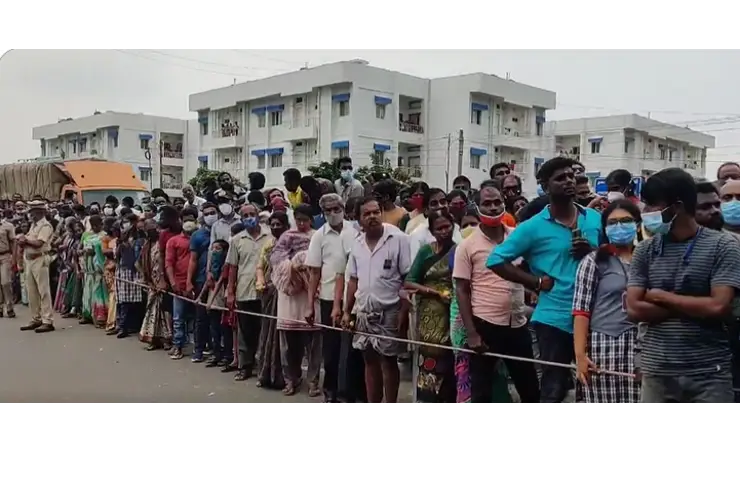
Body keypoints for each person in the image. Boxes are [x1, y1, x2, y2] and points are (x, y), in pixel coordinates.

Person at [487, 156, 601, 407]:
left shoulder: (593, 218)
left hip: (595, 315)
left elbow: (613, 254)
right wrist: (535, 281)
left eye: (572, 176)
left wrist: (592, 250)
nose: (569, 181)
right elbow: (496, 260)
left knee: (594, 384)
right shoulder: (532, 227)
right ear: (545, 186)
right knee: (553, 388)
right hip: (554, 319)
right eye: (561, 178)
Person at [626, 168, 740, 408]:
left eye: (651, 205)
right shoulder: (645, 251)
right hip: (657, 372)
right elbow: (634, 310)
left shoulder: (723, 246)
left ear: (676, 207)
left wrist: (660, 296)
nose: (645, 213)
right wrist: (697, 303)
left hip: (709, 373)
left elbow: (719, 306)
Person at [454, 185, 540, 408]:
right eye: (487, 203)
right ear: (477, 206)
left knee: (530, 391)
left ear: (504, 203)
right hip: (486, 325)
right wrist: (471, 333)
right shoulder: (467, 245)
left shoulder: (518, 237)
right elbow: (462, 289)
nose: (493, 208)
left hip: (517, 323)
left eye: (497, 202)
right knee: (482, 395)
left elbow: (532, 271)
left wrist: (533, 290)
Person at [572, 200, 642, 404]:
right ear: (605, 228)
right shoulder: (594, 261)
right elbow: (581, 310)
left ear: (638, 224)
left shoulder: (648, 258)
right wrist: (580, 356)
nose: (619, 227)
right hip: (604, 346)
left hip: (641, 345)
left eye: (626, 221)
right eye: (613, 223)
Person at [344, 197, 412, 404]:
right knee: (369, 360)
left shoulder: (398, 238)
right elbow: (353, 280)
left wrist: (403, 313)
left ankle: (391, 403)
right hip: (363, 310)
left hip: (390, 311)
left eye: (376, 212)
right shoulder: (356, 243)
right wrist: (347, 311)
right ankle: (374, 402)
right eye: (367, 214)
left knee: (389, 362)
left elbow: (407, 279)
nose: (373, 216)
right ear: (359, 219)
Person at [305, 193, 361, 402]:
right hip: (329, 298)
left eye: (336, 209)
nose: (332, 214)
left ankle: (351, 390)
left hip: (354, 296)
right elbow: (314, 273)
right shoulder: (319, 236)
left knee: (354, 348)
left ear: (343, 209)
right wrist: (310, 305)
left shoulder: (355, 230)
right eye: (327, 211)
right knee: (332, 349)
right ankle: (331, 390)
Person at [404, 210, 457, 406]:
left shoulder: (460, 250)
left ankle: (449, 398)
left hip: (453, 311)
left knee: (451, 358)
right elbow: (409, 282)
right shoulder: (426, 251)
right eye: (439, 228)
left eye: (447, 227)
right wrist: (432, 292)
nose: (444, 231)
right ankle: (430, 401)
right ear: (432, 231)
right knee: (431, 357)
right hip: (430, 314)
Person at [271, 204, 321, 396]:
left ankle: (313, 381)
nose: (301, 223)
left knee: (314, 342)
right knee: (288, 342)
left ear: (311, 220)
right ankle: (291, 379)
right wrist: (293, 267)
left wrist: (308, 267)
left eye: (305, 220)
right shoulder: (286, 237)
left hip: (312, 293)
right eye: (298, 219)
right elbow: (276, 261)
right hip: (290, 294)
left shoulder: (318, 236)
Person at [226, 203, 271, 381]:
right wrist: (230, 292)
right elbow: (232, 268)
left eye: (252, 214)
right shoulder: (237, 240)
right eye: (245, 215)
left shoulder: (270, 236)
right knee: (245, 331)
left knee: (264, 330)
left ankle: (263, 367)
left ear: (258, 215)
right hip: (244, 290)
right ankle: (245, 366)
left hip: (266, 291)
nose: (249, 218)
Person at [254, 212, 289, 389]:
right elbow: (260, 266)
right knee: (266, 333)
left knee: (284, 338)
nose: (275, 227)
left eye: (279, 224)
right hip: (269, 292)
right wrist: (260, 280)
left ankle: (284, 377)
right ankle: (265, 374)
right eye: (273, 224)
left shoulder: (292, 241)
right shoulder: (269, 244)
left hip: (287, 293)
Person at [18, 201, 56, 333]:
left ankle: (47, 320)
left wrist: (25, 241)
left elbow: (39, 243)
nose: (31, 215)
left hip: (40, 258)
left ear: (40, 212)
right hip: (29, 260)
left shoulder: (45, 226)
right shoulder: (33, 226)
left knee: (43, 291)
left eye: (33, 212)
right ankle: (36, 318)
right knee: (32, 291)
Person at [138, 219, 173, 351]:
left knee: (164, 313)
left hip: (163, 282)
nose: (152, 232)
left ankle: (166, 340)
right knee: (152, 311)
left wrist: (163, 281)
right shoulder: (146, 245)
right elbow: (140, 263)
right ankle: (153, 339)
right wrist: (146, 280)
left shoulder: (162, 244)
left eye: (154, 229)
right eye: (148, 230)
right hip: (152, 282)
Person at [189, 203, 216, 363]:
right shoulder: (198, 235)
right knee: (200, 318)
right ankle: (198, 350)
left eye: (213, 212)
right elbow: (192, 260)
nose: (210, 215)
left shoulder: (221, 231)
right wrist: (188, 281)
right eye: (207, 213)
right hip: (200, 281)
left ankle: (215, 351)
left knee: (216, 319)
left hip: (219, 281)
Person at [111, 214, 145, 339]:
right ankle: (122, 326)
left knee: (135, 302)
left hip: (135, 271)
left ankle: (131, 325)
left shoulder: (139, 239)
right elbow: (117, 257)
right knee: (122, 301)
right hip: (123, 271)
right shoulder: (120, 241)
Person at [80, 215, 108, 327]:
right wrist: (82, 251)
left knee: (99, 293)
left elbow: (102, 251)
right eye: (93, 225)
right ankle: (88, 315)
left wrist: (93, 251)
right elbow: (82, 247)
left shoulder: (104, 236)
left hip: (98, 269)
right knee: (88, 293)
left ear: (101, 224)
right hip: (88, 269)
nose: (95, 227)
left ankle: (99, 317)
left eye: (97, 225)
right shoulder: (87, 235)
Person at [0, 209, 16, 318]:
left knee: (6, 282)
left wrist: (13, 257)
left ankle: (10, 307)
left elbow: (13, 242)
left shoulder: (8, 226)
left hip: (5, 255)